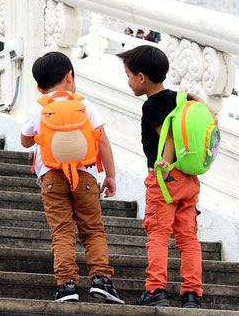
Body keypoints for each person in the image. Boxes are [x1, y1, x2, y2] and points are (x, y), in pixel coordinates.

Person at [117, 45, 217, 309]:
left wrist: (166, 163)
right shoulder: (181, 98)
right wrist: (196, 98)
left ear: (142, 77)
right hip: (189, 179)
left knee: (158, 234)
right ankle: (192, 294)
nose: (128, 81)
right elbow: (208, 119)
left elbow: (168, 135)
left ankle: (156, 289)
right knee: (188, 238)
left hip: (166, 177)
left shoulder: (152, 106)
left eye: (128, 75)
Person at [21, 51, 124, 305]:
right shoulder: (85, 105)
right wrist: (109, 176)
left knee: (62, 232)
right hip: (86, 176)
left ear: (38, 86)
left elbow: (24, 141)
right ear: (70, 76)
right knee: (92, 231)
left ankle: (67, 285)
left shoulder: (38, 107)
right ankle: (101, 279)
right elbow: (102, 142)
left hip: (52, 178)